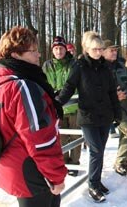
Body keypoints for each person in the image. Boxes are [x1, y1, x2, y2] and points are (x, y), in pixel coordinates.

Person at [0, 26, 66, 206]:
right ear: (16, 55)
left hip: (9, 166)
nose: (39, 55)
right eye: (33, 51)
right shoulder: (22, 87)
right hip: (31, 173)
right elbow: (40, 139)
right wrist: (56, 176)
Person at [58, 31, 121, 203]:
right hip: (88, 116)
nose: (99, 52)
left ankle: (97, 181)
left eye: (101, 49)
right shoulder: (79, 66)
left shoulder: (105, 67)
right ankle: (93, 184)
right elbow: (69, 87)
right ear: (87, 49)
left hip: (105, 116)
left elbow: (111, 92)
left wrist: (117, 113)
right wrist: (57, 103)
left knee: (99, 151)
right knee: (96, 150)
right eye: (95, 49)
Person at [43, 36, 81, 176]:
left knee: (75, 136)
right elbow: (43, 82)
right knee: (61, 137)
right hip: (57, 108)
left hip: (74, 107)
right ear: (53, 50)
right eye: (56, 48)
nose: (59, 51)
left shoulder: (73, 64)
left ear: (66, 49)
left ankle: (74, 163)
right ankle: (64, 162)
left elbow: (76, 84)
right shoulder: (47, 65)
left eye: (61, 48)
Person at [102, 40, 127, 178]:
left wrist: (126, 93)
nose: (114, 52)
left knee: (125, 135)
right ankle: (119, 162)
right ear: (103, 51)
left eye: (116, 50)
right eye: (111, 50)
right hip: (113, 107)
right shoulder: (101, 68)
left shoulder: (122, 66)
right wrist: (115, 96)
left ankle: (123, 165)